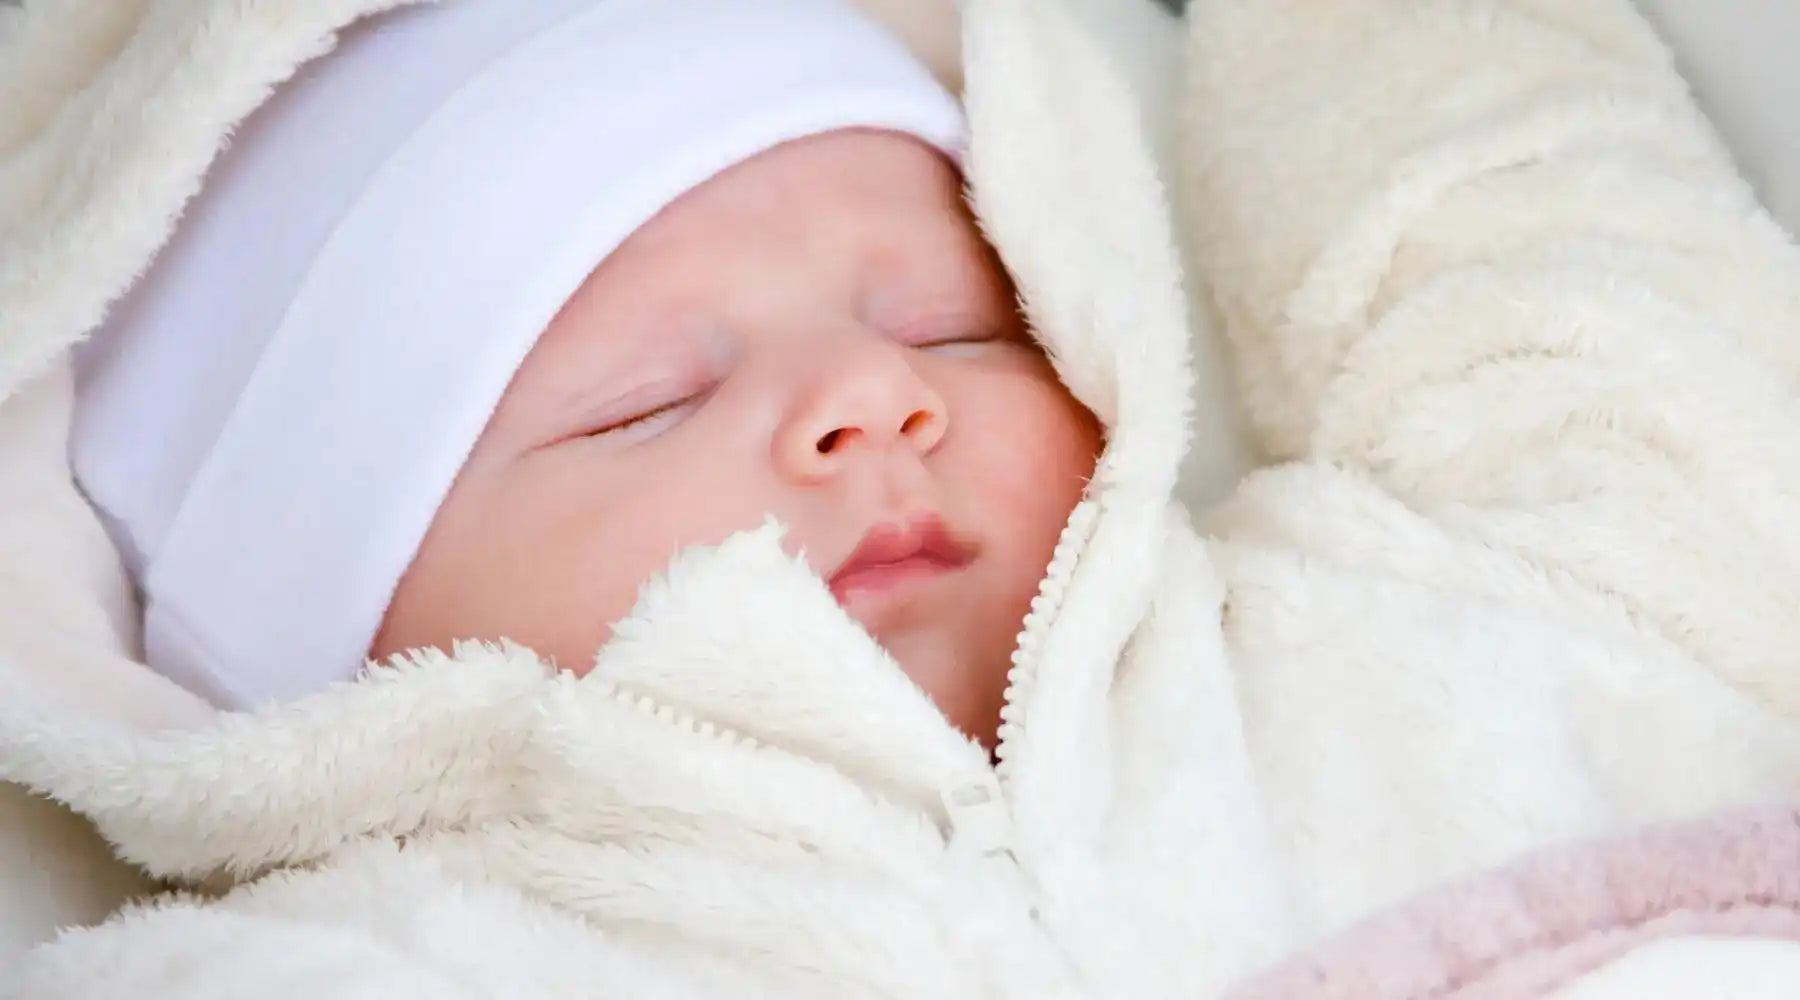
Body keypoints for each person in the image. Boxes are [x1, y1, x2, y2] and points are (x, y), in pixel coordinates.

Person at [6, 0, 1800, 995]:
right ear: (316, 649)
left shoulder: (1423, 607)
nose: (876, 393)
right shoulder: (352, 966)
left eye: (959, 321)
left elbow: (1522, 239)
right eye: (649, 404)